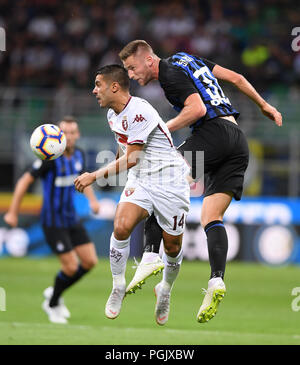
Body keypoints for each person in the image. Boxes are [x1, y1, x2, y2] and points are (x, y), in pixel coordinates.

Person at [119, 40, 282, 323]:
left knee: (159, 177)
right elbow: (237, 78)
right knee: (211, 216)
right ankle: (216, 279)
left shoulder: (168, 74)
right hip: (236, 139)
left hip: (213, 133)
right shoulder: (185, 59)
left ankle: (149, 256)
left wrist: (156, 130)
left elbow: (197, 110)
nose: (131, 76)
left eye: (132, 68)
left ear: (148, 60)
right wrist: (265, 105)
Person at [74, 64, 190, 325]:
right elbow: (124, 150)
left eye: (98, 85)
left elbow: (133, 157)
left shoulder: (139, 111)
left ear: (114, 86)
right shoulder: (113, 115)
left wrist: (94, 175)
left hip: (170, 181)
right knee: (121, 226)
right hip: (142, 180)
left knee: (173, 246)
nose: (94, 91)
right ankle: (117, 286)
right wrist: (116, 170)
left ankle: (165, 290)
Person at [4, 116, 100, 324]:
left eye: (73, 132)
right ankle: (53, 302)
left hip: (71, 218)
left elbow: (84, 179)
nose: (69, 136)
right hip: (52, 221)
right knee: (70, 268)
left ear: (78, 135)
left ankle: (53, 295)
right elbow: (23, 182)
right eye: (65, 132)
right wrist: (13, 211)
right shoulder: (49, 159)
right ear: (58, 136)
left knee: (90, 261)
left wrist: (92, 201)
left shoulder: (79, 155)